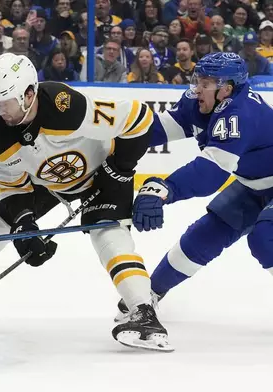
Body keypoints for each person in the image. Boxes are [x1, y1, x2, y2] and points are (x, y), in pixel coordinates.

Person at [0, 53, 173, 352]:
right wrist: (23, 223)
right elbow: (11, 186)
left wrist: (119, 168)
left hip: (104, 173)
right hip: (46, 184)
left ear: (29, 94)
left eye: (4, 102)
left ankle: (144, 313)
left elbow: (139, 117)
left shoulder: (64, 106)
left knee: (109, 236)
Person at [117, 53, 273, 318]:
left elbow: (211, 173)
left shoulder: (239, 113)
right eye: (197, 80)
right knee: (205, 235)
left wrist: (163, 189)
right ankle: (150, 295)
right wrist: (110, 142)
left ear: (227, 89)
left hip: (258, 182)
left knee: (265, 239)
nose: (197, 89)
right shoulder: (202, 103)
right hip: (254, 183)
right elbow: (157, 130)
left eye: (206, 83)